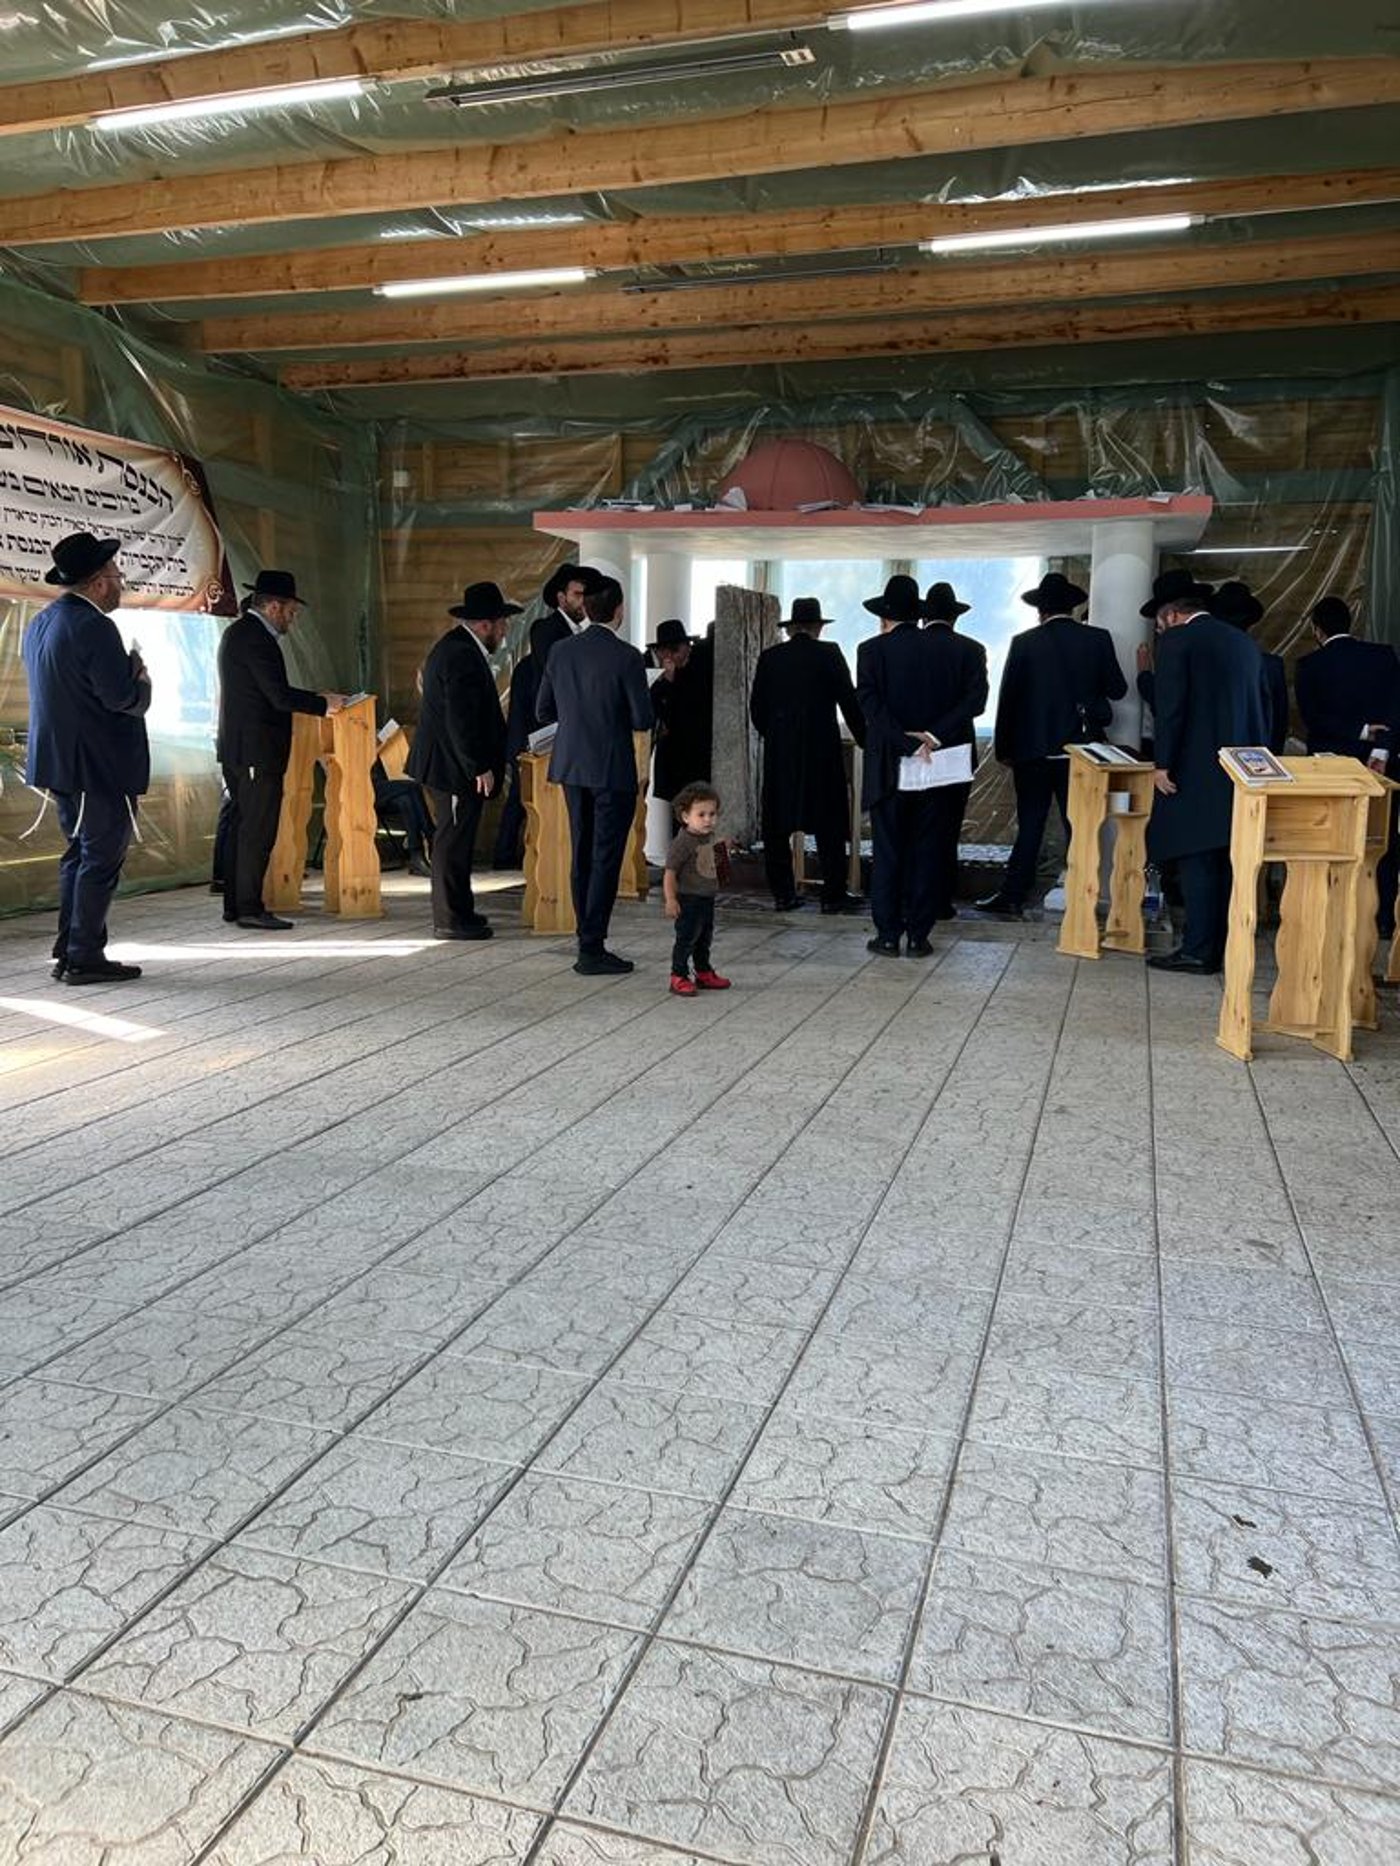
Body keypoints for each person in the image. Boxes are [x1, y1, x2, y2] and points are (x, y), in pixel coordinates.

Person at [21, 531, 150, 985]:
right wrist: (141, 679)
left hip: (61, 762)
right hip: (96, 765)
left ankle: (69, 949)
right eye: (117, 577)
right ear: (97, 583)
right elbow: (120, 698)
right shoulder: (94, 626)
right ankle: (83, 956)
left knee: (80, 855)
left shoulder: (41, 622)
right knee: (100, 858)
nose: (121, 584)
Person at [979, 571, 1126, 917]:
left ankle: (1013, 894)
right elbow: (1118, 689)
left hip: (1032, 751)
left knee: (1031, 824)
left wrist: (1004, 749)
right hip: (1082, 751)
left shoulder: (1024, 642)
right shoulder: (1098, 639)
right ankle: (1083, 895)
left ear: (1040, 610)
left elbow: (1009, 700)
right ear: (1073, 608)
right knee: (1080, 824)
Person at [1145, 568, 1270, 974]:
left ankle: (1198, 949)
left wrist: (1163, 763)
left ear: (1170, 614)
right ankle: (1223, 945)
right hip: (1241, 769)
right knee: (1225, 859)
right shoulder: (1242, 642)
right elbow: (1262, 707)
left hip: (1193, 768)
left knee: (1196, 859)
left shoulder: (1178, 641)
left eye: (1159, 621)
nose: (1159, 629)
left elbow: (1171, 708)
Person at [536, 574, 654, 975]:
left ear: (584, 608)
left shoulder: (560, 651)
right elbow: (642, 718)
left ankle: (585, 939)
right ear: (619, 610)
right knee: (605, 856)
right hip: (611, 766)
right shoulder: (627, 656)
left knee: (582, 850)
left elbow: (543, 710)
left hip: (570, 765)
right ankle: (592, 946)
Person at [217, 569, 345, 931]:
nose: (293, 618)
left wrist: (316, 699)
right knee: (257, 830)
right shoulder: (255, 638)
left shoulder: (241, 632)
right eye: (291, 610)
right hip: (256, 750)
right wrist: (323, 704)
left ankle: (236, 904)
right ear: (273, 606)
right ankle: (249, 907)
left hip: (242, 748)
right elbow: (278, 696)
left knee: (244, 827)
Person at [407, 581, 516, 940]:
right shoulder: (460, 654)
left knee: (459, 841)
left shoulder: (459, 648)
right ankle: (449, 919)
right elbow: (460, 719)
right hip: (451, 767)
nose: (505, 631)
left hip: (453, 764)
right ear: (485, 624)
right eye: (502, 624)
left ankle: (462, 910)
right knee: (451, 843)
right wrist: (478, 766)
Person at [749, 596, 866, 914]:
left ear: (790, 629)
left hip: (781, 755)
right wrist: (867, 740)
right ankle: (833, 895)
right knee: (830, 826)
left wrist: (777, 736)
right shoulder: (830, 654)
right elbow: (850, 703)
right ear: (818, 627)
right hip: (821, 752)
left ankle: (784, 894)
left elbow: (757, 710)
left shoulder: (770, 658)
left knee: (777, 827)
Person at [1295, 594, 1400, 938]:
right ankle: (1382, 917)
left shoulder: (1309, 665)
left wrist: (1359, 730)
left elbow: (1313, 720)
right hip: (1380, 766)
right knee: (1381, 842)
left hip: (1331, 769)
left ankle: (1331, 912)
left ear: (1316, 630)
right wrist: (1382, 746)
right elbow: (1396, 706)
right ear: (1349, 623)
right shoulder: (1384, 656)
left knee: (1331, 840)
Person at [856, 573, 949, 957]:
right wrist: (930, 737)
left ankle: (888, 935)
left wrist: (905, 742)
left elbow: (871, 707)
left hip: (887, 766)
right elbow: (960, 703)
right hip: (933, 762)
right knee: (926, 850)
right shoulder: (944, 649)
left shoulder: (870, 650)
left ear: (884, 617)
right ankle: (919, 936)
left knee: (888, 851)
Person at [920, 581, 990, 920]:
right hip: (956, 749)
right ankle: (941, 901)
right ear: (955, 618)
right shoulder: (972, 649)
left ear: (924, 617)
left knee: (914, 825)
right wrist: (942, 731)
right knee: (947, 828)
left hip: (913, 748)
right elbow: (976, 703)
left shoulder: (908, 647)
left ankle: (913, 896)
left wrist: (924, 734)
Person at [663, 780, 732, 998]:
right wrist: (671, 899)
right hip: (689, 899)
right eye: (701, 815)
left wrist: (723, 852)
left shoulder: (708, 837)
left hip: (706, 897)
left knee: (704, 938)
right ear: (685, 816)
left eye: (712, 814)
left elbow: (710, 863)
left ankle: (703, 971)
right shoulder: (682, 843)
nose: (708, 819)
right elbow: (670, 872)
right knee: (686, 938)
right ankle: (678, 975)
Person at [649, 618, 715, 820]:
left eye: (674, 650)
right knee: (678, 816)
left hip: (699, 756)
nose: (669, 657)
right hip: (673, 760)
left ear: (687, 647)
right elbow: (659, 713)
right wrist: (667, 682)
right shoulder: (658, 679)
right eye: (663, 652)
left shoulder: (704, 666)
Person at [1214, 581, 1289, 753]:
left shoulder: (1203, 662)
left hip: (1209, 758)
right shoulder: (1271, 667)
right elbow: (1279, 725)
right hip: (1257, 759)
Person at [491, 643, 538, 869]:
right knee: (521, 801)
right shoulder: (541, 667)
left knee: (517, 801)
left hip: (518, 743)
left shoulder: (524, 666)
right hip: (530, 745)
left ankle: (505, 853)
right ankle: (507, 853)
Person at [530, 562, 598, 673]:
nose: (583, 601)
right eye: (577, 595)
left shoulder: (583, 630)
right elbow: (557, 671)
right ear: (562, 598)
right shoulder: (545, 629)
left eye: (585, 595)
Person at [370, 756, 433, 876]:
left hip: (380, 788)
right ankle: (430, 834)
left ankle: (416, 856)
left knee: (405, 800)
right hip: (362, 790)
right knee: (413, 787)